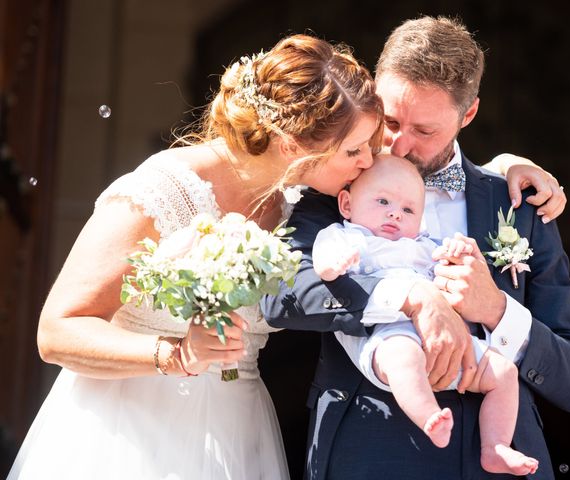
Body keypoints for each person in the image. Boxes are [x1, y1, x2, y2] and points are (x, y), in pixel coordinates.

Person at [7, 34, 387, 480]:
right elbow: (57, 330)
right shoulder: (165, 188)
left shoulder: (300, 208)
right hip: (131, 430)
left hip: (239, 431)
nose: (369, 160)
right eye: (354, 150)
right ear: (292, 146)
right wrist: (176, 353)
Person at [261, 15, 570, 480]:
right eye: (391, 121)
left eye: (425, 130)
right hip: (370, 452)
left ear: (468, 114)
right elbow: (282, 295)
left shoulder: (518, 204)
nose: (398, 145)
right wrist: (414, 299)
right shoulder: (338, 185)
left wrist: (497, 310)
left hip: (502, 462)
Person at [312, 154, 538, 476]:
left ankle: (495, 446)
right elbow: (320, 262)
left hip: (448, 343)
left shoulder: (420, 244)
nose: (394, 213)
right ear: (347, 204)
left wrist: (455, 254)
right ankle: (429, 415)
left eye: (408, 210)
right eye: (382, 201)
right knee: (405, 359)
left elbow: (448, 269)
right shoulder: (347, 237)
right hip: (388, 337)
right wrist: (332, 265)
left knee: (502, 373)